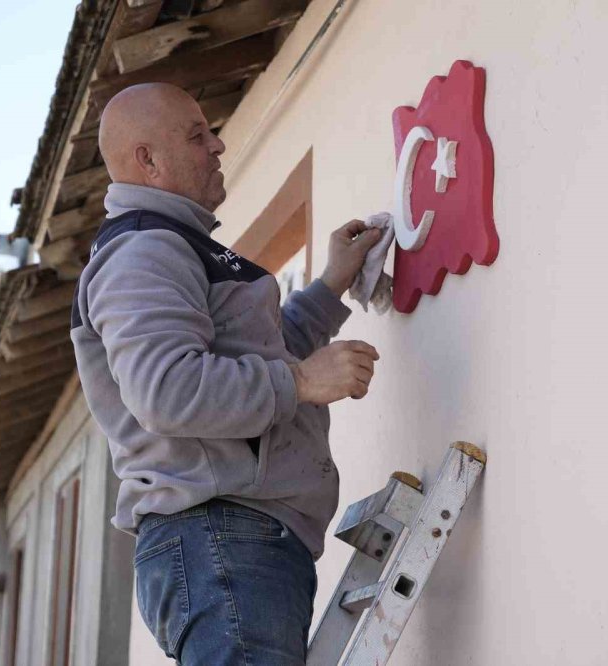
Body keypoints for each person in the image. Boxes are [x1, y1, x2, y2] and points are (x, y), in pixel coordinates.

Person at [70, 82, 383, 664]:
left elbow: (265, 351)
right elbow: (167, 390)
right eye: (196, 136)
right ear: (148, 160)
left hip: (233, 541)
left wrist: (333, 283)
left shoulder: (178, 247)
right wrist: (302, 382)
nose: (217, 145)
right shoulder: (144, 250)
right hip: (220, 536)